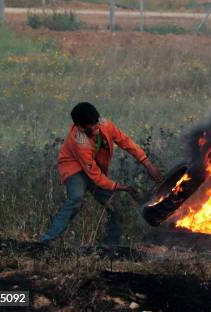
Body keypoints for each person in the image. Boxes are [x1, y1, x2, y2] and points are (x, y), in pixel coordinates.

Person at [40, 102, 161, 245]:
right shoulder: (79, 141)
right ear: (80, 127)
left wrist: (148, 164)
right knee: (76, 200)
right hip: (74, 168)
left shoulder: (104, 125)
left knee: (115, 206)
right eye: (91, 125)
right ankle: (46, 241)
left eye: (96, 122)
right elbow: (95, 176)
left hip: (93, 167)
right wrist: (121, 187)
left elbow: (125, 142)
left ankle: (110, 246)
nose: (96, 127)